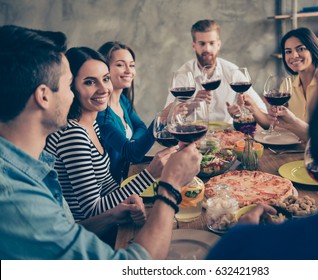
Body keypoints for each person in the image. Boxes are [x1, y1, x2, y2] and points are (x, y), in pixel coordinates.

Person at [208, 0, 318, 259]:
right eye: (288, 51)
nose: (293, 56)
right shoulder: (290, 84)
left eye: (300, 49)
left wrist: (243, 238)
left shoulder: (249, 248)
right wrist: (251, 109)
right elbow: (275, 124)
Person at [0, 25, 201, 259]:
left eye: (105, 79)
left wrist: (119, 211)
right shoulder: (20, 200)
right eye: (69, 85)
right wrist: (170, 186)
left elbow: (78, 220)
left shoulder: (30, 166)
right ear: (44, 96)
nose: (72, 95)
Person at [44, 47, 175, 224]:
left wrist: (132, 199)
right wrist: (149, 175)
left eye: (105, 79)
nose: (103, 88)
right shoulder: (73, 135)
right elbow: (92, 210)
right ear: (72, 87)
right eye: (90, 82)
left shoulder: (93, 124)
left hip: (109, 221)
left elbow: (107, 184)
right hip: (86, 235)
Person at [164, 19, 268, 125]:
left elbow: (262, 112)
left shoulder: (232, 72)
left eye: (211, 43)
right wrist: (192, 105)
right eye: (202, 44)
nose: (207, 49)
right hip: (193, 136)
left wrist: (239, 115)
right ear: (194, 46)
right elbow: (167, 119)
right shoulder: (183, 75)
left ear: (218, 45)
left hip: (228, 137)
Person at [97, 41, 166, 183]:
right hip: (113, 191)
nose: (129, 70)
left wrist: (132, 143)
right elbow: (132, 154)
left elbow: (141, 126)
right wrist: (162, 118)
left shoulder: (123, 100)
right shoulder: (101, 114)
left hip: (129, 177)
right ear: (104, 69)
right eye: (120, 65)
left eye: (132, 65)